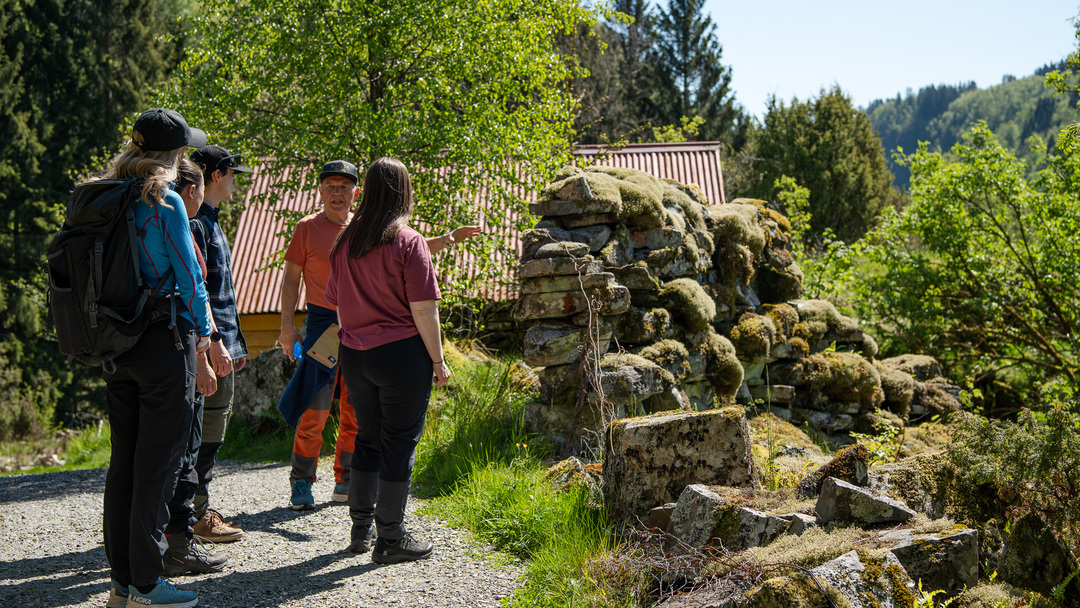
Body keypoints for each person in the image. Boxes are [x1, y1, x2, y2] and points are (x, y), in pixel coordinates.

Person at [278, 160, 479, 511]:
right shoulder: (306, 229)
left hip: (357, 320)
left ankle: (346, 477)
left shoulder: (365, 227)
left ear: (357, 192)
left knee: (357, 408)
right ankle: (301, 480)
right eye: (330, 186)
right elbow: (291, 278)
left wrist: (448, 239)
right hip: (322, 324)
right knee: (316, 405)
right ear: (320, 191)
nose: (337, 193)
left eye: (344, 187)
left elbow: (406, 248)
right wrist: (285, 326)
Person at [100, 108, 211, 608]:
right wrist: (207, 345)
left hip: (116, 346)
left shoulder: (108, 194)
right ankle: (148, 583)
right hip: (164, 344)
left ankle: (122, 581)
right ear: (175, 154)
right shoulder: (162, 200)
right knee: (158, 467)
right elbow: (191, 280)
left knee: (123, 463)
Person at [326, 157, 448, 564]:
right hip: (401, 356)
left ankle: (360, 529)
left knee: (368, 438)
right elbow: (424, 310)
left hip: (355, 355)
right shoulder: (408, 241)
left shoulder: (345, 242)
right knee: (399, 443)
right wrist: (438, 360)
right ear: (403, 190)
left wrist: (354, 338)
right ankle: (391, 538)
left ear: (368, 191)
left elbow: (339, 308)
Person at [160, 159, 229, 577]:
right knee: (186, 451)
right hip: (180, 352)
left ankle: (147, 545)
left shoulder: (141, 218)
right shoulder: (182, 226)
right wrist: (206, 355)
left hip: (141, 351)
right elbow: (193, 292)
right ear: (192, 191)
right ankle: (180, 545)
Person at [187, 145, 252, 541]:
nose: (234, 182)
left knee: (212, 429)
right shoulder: (196, 224)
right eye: (232, 174)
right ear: (215, 175)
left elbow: (221, 292)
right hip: (212, 348)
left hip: (223, 346)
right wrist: (213, 346)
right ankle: (196, 515)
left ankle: (196, 509)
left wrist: (236, 344)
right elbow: (202, 295)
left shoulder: (209, 221)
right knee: (203, 431)